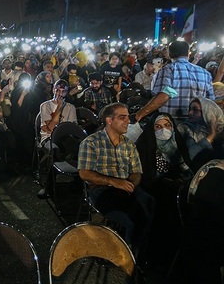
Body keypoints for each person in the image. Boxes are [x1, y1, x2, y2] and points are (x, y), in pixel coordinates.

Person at [78, 102, 155, 260]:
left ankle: (136, 253)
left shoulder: (128, 145)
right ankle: (131, 259)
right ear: (109, 120)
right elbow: (85, 173)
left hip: (125, 187)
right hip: (102, 189)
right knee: (134, 219)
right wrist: (113, 182)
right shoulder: (91, 142)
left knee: (148, 202)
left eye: (128, 117)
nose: (128, 121)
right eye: (122, 117)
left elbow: (136, 172)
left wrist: (131, 184)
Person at [134, 113, 192, 267]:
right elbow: (147, 178)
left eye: (167, 126)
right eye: (158, 127)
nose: (163, 130)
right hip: (156, 192)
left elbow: (186, 167)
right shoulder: (146, 146)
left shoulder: (177, 143)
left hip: (178, 189)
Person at [134, 41, 214, 122]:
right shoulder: (205, 73)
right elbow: (210, 102)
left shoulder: (168, 70)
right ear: (188, 53)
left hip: (172, 124)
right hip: (197, 126)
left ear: (170, 54)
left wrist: (140, 114)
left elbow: (164, 95)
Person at [37, 79, 78, 199]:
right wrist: (58, 110)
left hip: (65, 137)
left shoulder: (71, 107)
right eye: (57, 90)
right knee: (54, 151)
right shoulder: (45, 106)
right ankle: (48, 186)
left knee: (79, 147)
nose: (60, 94)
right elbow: (49, 128)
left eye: (63, 91)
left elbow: (72, 127)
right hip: (48, 138)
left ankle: (78, 183)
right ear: (53, 90)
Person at [177, 97, 224, 173]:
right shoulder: (185, 129)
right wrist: (210, 137)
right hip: (196, 174)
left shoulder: (220, 130)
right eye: (190, 109)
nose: (190, 113)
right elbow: (189, 156)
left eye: (195, 110)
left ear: (208, 112)